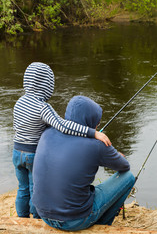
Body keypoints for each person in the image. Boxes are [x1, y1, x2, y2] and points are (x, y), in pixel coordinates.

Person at [13, 62, 111, 219]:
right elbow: (63, 126)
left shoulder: (19, 102)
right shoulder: (42, 107)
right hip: (33, 154)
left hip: (17, 152)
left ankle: (21, 218)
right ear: (47, 85)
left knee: (22, 188)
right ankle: (38, 219)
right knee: (35, 188)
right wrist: (92, 133)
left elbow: (18, 126)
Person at [32, 95, 135, 231]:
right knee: (128, 177)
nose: (97, 125)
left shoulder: (47, 132)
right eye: (97, 122)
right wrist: (114, 153)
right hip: (75, 221)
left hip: (44, 214)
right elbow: (124, 166)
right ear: (90, 121)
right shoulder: (97, 144)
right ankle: (102, 225)